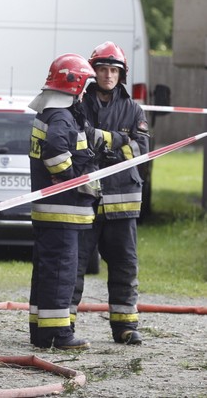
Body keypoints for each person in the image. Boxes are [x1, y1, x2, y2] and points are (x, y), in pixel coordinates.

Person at [70, 41, 150, 345]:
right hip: (86, 202)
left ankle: (125, 326)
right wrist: (120, 140)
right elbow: (79, 140)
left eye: (113, 70)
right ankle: (67, 326)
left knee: (124, 266)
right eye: (102, 69)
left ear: (121, 74)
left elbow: (141, 149)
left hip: (121, 204)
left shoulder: (133, 108)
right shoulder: (78, 105)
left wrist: (103, 145)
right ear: (93, 73)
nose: (107, 75)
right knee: (74, 266)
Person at [27, 53, 100, 350]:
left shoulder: (51, 113)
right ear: (75, 85)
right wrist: (74, 179)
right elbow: (56, 153)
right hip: (63, 212)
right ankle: (60, 335)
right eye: (84, 87)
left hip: (53, 213)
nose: (85, 93)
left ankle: (42, 332)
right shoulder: (61, 116)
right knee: (61, 272)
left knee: (47, 272)